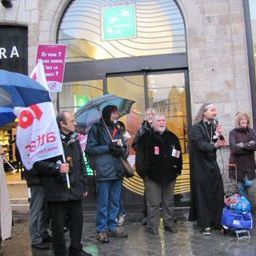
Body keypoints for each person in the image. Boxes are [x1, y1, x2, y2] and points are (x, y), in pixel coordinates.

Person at [34, 111, 91, 256]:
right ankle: (60, 252)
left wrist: (84, 184)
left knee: (77, 224)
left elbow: (81, 164)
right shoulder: (49, 141)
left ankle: (76, 249)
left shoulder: (75, 140)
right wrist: (57, 168)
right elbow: (38, 164)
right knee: (58, 227)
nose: (75, 123)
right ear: (62, 124)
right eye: (72, 121)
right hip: (57, 192)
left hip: (75, 190)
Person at [86, 105, 128, 243]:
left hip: (117, 170)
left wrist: (121, 150)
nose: (116, 115)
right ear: (106, 114)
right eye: (114, 113)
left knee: (115, 202)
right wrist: (108, 147)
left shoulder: (118, 129)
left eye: (117, 113)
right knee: (103, 203)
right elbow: (90, 149)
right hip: (104, 171)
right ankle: (101, 230)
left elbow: (124, 148)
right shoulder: (96, 129)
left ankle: (112, 226)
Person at [136, 114, 182, 235]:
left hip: (170, 175)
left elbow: (178, 154)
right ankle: (152, 226)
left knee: (169, 202)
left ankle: (169, 224)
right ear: (153, 123)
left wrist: (178, 169)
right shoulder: (145, 138)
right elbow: (140, 158)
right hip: (152, 176)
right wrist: (143, 174)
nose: (161, 123)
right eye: (159, 121)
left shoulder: (172, 137)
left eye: (163, 120)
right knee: (153, 203)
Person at [188, 103, 225, 235]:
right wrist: (215, 145)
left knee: (217, 192)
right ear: (204, 112)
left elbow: (220, 142)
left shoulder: (214, 126)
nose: (215, 112)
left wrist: (219, 134)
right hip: (200, 166)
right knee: (203, 195)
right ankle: (205, 224)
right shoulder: (195, 128)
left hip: (212, 165)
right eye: (212, 110)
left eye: (215, 110)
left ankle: (216, 221)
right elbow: (201, 145)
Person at [132, 108, 156, 225]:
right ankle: (147, 214)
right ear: (145, 117)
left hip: (159, 165)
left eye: (153, 114)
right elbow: (134, 144)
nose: (151, 116)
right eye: (148, 114)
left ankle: (158, 213)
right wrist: (144, 151)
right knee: (148, 190)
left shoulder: (160, 127)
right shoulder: (141, 130)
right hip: (146, 164)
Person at [229, 112, 256, 197]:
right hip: (237, 164)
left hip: (249, 164)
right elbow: (234, 149)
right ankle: (245, 209)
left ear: (247, 120)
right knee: (240, 188)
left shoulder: (252, 131)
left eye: (245, 119)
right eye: (241, 119)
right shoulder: (233, 133)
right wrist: (249, 145)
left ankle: (248, 206)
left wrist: (242, 145)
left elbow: (255, 146)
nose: (243, 121)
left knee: (249, 183)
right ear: (238, 121)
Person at [24, 167, 52, 250]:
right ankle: (35, 239)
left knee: (45, 209)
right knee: (36, 210)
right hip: (37, 180)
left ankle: (42, 232)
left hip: (42, 179)